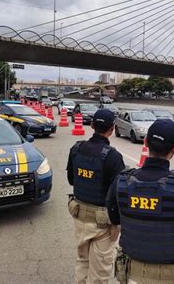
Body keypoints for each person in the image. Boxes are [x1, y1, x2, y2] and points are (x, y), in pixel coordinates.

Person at [107, 119, 174, 283]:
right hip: (173, 274)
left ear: (146, 142)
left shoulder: (121, 182)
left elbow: (114, 217)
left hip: (132, 272)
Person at [67, 108, 126, 284]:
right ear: (112, 128)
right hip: (103, 222)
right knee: (100, 271)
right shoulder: (113, 157)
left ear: (92, 125)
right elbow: (118, 193)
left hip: (79, 216)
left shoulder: (76, 149)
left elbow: (71, 180)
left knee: (82, 261)